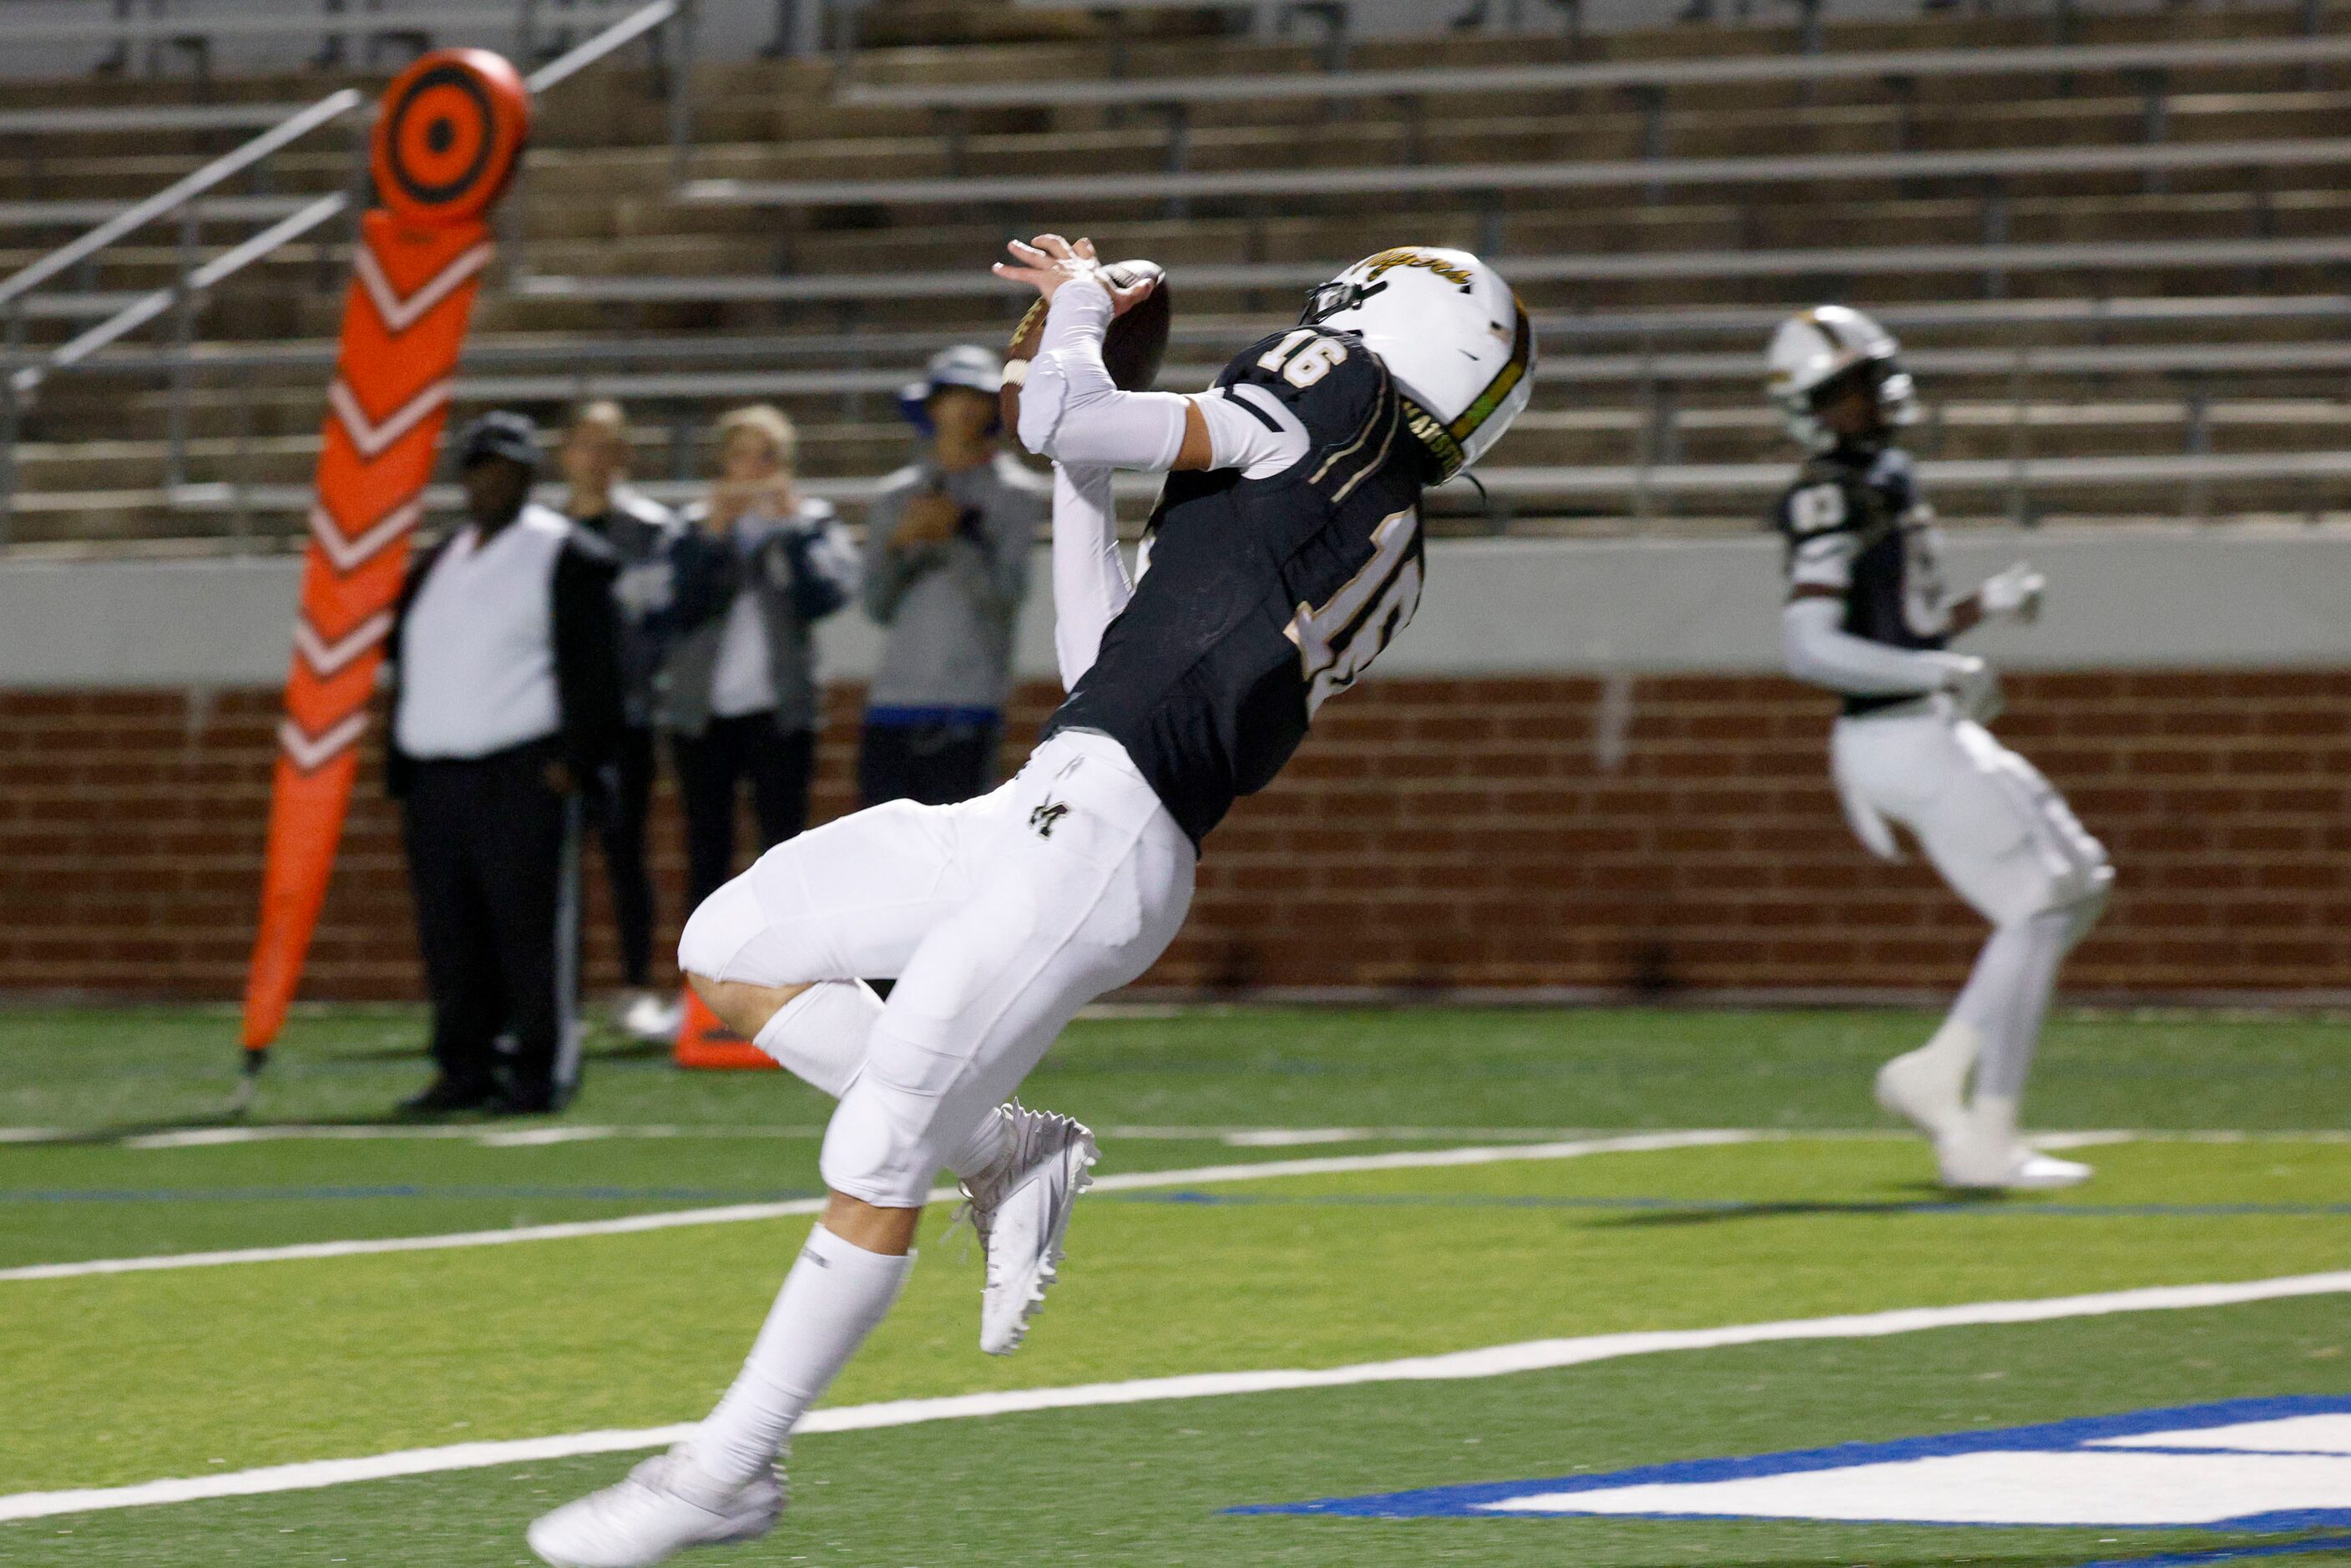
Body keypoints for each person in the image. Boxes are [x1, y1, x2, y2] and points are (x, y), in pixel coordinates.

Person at [525, 236, 1533, 1566]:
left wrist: (1073, 316)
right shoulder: (1365, 505)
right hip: (1057, 803)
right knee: (733, 943)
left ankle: (729, 1466)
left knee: (880, 1143)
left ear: (1383, 320)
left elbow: (1054, 405)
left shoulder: (1331, 389)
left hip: (1104, 838)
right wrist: (1086, 442)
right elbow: (1094, 653)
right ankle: (1006, 1149)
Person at [1767, 306, 2114, 1191]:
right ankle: (1980, 1132)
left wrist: (1978, 609)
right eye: (1846, 387)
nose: (1870, 396)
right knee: (2037, 898)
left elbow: (1903, 627)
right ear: (1811, 404)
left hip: (1925, 722)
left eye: (1869, 376)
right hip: (1893, 734)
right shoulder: (1827, 492)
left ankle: (1942, 1076)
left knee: (2078, 878)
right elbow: (1810, 647)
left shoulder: (1884, 473)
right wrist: (1943, 669)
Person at [386, 412, 624, 1116]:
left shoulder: (565, 554)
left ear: (527, 476)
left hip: (521, 773)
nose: (491, 482)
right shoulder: (440, 558)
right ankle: (463, 1067)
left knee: (528, 934)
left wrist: (577, 761)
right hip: (439, 777)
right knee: (451, 935)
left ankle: (538, 1070)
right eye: (480, 468)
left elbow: (599, 670)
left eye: (506, 469)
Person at [561, 402, 730, 1044]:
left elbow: (663, 619)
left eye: (611, 445)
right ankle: (560, 994)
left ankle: (634, 986)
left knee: (626, 854)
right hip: (556, 719)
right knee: (555, 862)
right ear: (567, 453)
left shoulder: (652, 528)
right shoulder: (543, 533)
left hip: (626, 712)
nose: (598, 459)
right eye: (587, 444)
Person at [660, 405, 860, 913]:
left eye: (767, 456)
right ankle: (703, 985)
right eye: (742, 456)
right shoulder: (690, 528)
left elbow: (827, 597)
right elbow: (677, 608)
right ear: (723, 464)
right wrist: (714, 537)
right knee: (708, 848)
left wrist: (789, 532)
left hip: (780, 710)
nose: (753, 469)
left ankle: (784, 975)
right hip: (703, 714)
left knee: (783, 847)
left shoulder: (809, 521)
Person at [859, 346, 1046, 807]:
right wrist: (901, 545)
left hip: (972, 699)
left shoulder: (1017, 495)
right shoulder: (895, 496)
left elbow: (1006, 597)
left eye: (976, 396)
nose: (963, 409)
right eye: (950, 395)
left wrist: (957, 537)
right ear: (931, 406)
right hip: (893, 699)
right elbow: (876, 605)